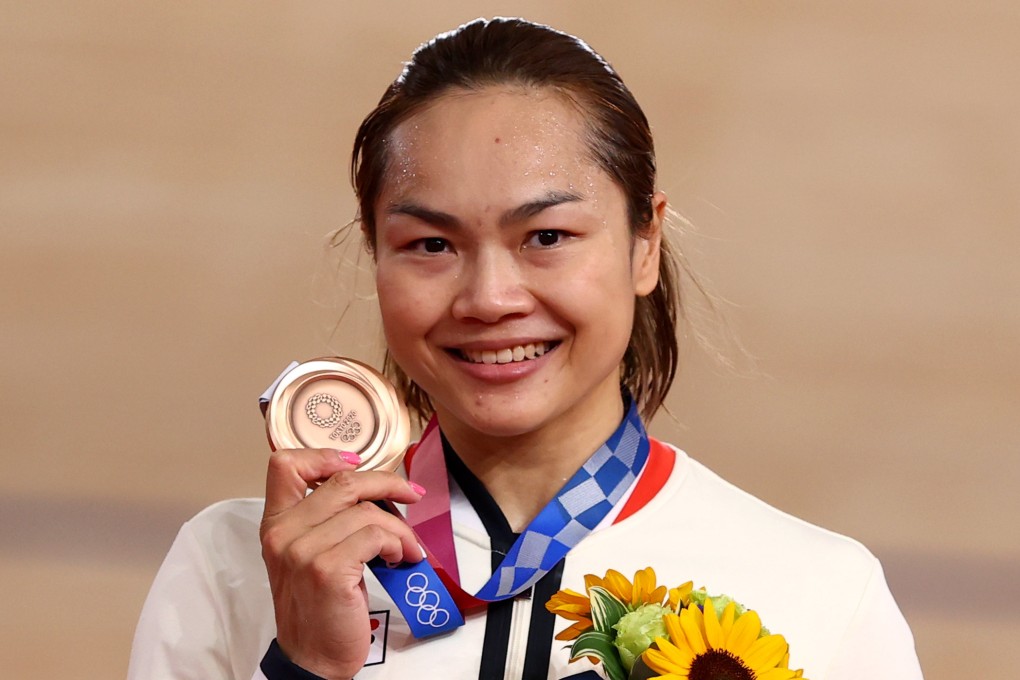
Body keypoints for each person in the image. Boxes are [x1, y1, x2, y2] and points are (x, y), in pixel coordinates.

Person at [128, 17, 923, 680]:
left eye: (546, 236)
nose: (488, 299)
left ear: (645, 243)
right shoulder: (236, 568)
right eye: (431, 245)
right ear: (375, 254)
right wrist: (301, 668)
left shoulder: (820, 594)